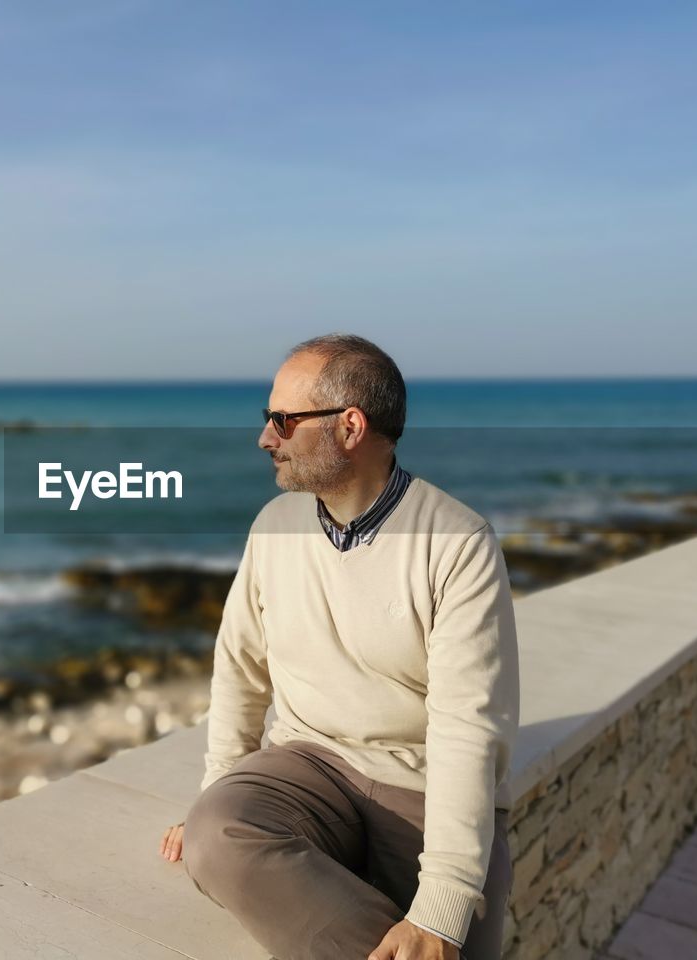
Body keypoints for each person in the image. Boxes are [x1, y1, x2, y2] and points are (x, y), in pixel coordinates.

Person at [157, 334, 520, 960]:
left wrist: (441, 905)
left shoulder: (458, 542)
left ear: (350, 426)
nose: (266, 438)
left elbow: (467, 728)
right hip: (308, 765)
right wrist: (216, 792)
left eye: (282, 420)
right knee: (216, 834)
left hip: (422, 787)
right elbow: (239, 672)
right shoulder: (273, 527)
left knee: (454, 932)